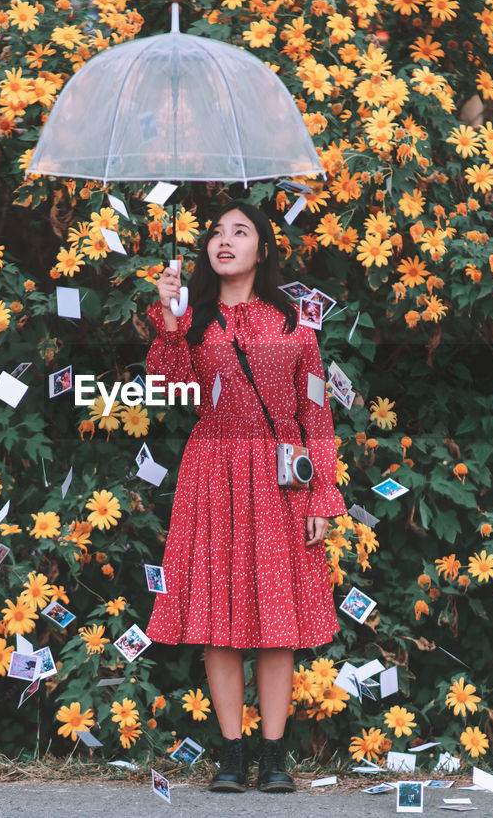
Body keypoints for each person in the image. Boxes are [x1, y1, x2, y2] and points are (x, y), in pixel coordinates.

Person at [144, 200, 347, 794]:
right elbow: (170, 392)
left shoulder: (294, 324)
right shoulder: (191, 319)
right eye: (215, 233)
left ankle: (274, 755)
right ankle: (231, 754)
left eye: (240, 231)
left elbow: (316, 411)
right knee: (219, 617)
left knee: (277, 621)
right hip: (213, 472)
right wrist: (169, 317)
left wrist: (322, 498)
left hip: (284, 475)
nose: (224, 240)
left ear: (263, 248)